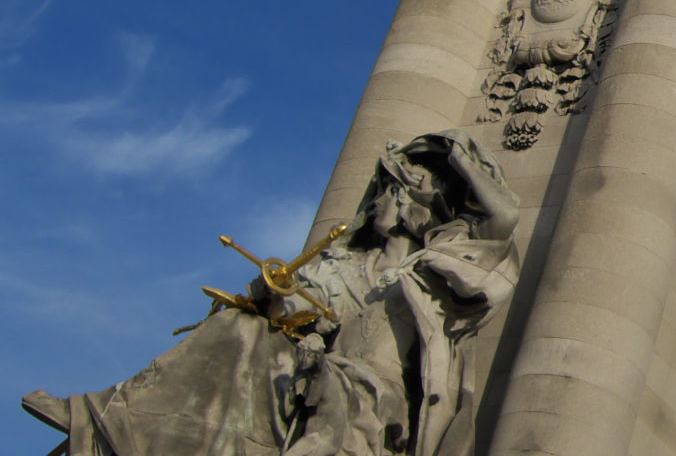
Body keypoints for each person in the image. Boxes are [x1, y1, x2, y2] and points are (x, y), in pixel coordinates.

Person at [23, 131, 520, 456]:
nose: (379, 202)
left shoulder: (435, 272)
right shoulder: (345, 265)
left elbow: (502, 221)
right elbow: (302, 306)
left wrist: (454, 154)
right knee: (240, 324)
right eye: (383, 189)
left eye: (395, 191)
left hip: (377, 396)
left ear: (420, 203)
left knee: (322, 387)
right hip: (315, 369)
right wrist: (269, 297)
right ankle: (103, 417)